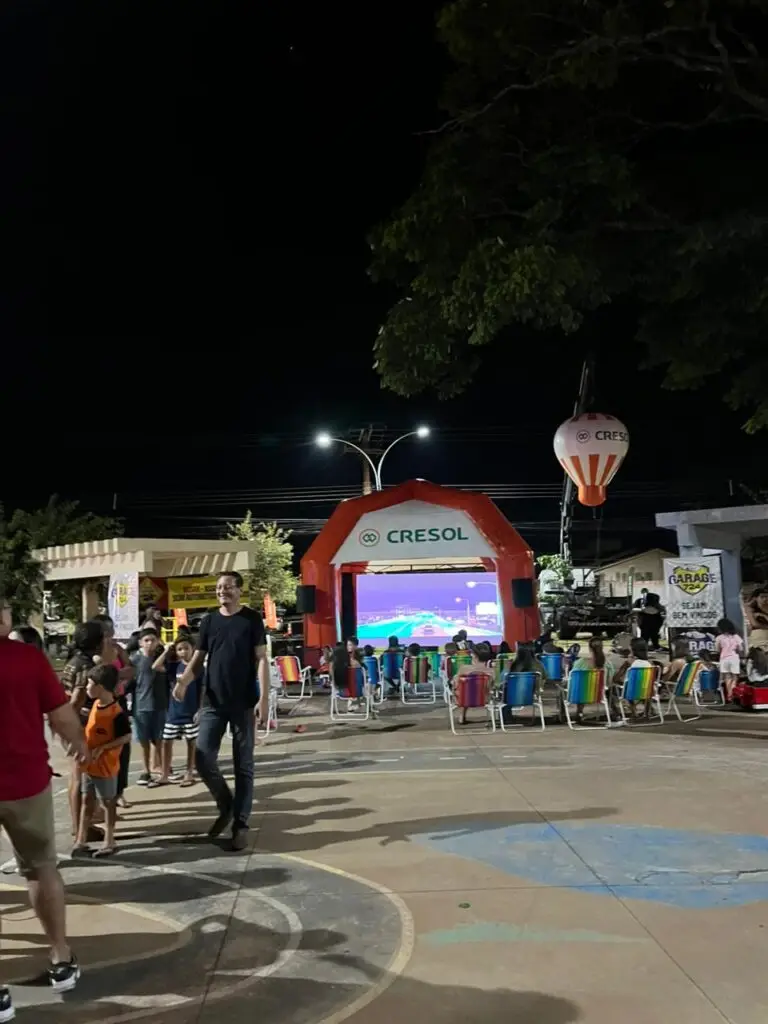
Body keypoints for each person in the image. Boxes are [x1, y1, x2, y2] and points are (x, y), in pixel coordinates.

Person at [0, 601, 87, 1011]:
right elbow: (61, 715)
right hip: (26, 783)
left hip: (26, 781)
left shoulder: (28, 659)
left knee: (40, 870)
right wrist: (80, 745)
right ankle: (60, 957)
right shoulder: (28, 660)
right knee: (41, 868)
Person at [173, 571, 269, 852]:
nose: (222, 591)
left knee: (244, 765)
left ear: (239, 591)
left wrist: (263, 699)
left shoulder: (251, 619)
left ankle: (240, 824)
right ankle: (226, 805)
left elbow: (262, 659)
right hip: (213, 702)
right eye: (218, 588)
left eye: (228, 587)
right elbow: (199, 658)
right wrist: (184, 682)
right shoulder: (209, 621)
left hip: (243, 702)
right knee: (203, 759)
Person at [72, 664, 131, 858]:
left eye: (89, 683)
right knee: (86, 801)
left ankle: (110, 840)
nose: (86, 687)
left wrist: (104, 748)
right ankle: (80, 840)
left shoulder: (116, 713)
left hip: (106, 766)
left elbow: (126, 736)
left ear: (101, 686)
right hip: (89, 764)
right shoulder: (96, 706)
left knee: (108, 802)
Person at [61, 620, 108, 838]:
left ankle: (80, 825)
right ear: (97, 643)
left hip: (72, 724)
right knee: (81, 779)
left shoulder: (73, 661)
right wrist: (71, 731)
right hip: (80, 726)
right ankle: (81, 828)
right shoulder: (86, 665)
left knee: (76, 776)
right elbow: (77, 700)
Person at [90, 614, 135, 807]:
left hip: (119, 700)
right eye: (104, 631)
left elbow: (131, 670)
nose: (108, 634)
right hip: (101, 704)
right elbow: (99, 675)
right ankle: (103, 796)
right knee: (102, 746)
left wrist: (116, 676)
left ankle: (119, 791)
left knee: (123, 748)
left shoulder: (117, 649)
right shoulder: (94, 652)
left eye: (110, 629)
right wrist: (115, 675)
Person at [157, 635, 202, 787]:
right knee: (166, 741)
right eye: (179, 649)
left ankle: (189, 772)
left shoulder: (198, 668)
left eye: (186, 648)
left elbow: (203, 689)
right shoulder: (173, 666)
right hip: (173, 713)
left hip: (191, 712)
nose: (183, 652)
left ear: (192, 649)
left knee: (191, 742)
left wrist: (200, 710)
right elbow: (155, 666)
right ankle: (164, 773)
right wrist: (166, 651)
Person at [130, 629, 170, 786]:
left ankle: (159, 767)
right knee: (143, 741)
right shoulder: (134, 659)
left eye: (153, 640)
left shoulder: (163, 659)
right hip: (141, 705)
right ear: (140, 642)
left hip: (160, 704)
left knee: (159, 739)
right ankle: (146, 770)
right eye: (146, 640)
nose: (149, 643)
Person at [572, 637, 617, 722]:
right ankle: (616, 712)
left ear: (589, 648)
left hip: (583, 694)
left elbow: (574, 679)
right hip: (600, 693)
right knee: (608, 689)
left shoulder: (580, 663)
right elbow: (609, 681)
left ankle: (579, 713)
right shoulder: (607, 664)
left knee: (578, 687)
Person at [452, 642, 495, 725]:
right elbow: (491, 686)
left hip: (463, 699)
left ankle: (462, 715)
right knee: (473, 689)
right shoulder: (491, 671)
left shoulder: (464, 669)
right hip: (484, 699)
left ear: (474, 655)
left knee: (465, 689)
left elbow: (456, 685)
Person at [715, 618, 744, 700]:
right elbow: (741, 649)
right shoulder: (736, 637)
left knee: (727, 677)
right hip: (734, 658)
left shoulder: (719, 638)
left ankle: (729, 696)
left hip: (724, 659)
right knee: (735, 677)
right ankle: (732, 694)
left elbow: (717, 650)